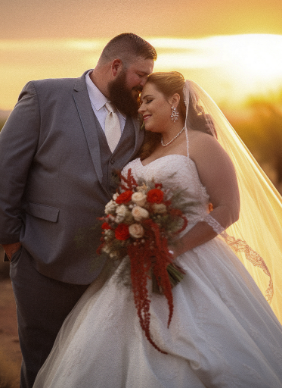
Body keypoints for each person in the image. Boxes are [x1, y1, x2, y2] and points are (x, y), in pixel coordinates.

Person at [32, 71, 282, 388]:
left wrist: (173, 248)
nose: (142, 109)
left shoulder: (202, 145)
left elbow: (228, 208)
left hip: (193, 260)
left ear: (175, 100)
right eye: (141, 102)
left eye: (149, 100)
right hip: (135, 262)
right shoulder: (144, 151)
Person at [0, 33, 156, 388]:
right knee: (44, 363)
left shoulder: (138, 114)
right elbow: (5, 169)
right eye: (141, 74)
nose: (145, 83)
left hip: (109, 270)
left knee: (93, 366)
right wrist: (10, 242)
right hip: (42, 256)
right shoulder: (44, 96)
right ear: (115, 66)